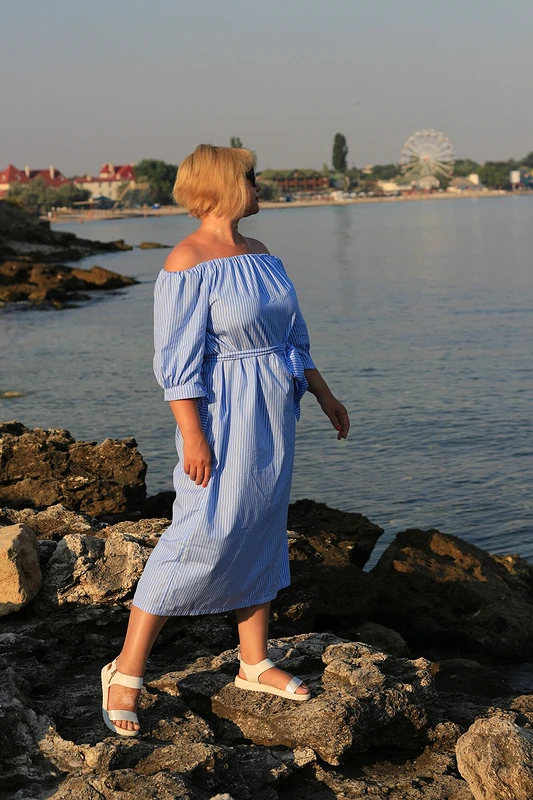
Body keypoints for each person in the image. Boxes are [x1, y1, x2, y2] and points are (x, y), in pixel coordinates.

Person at [101, 144, 350, 736]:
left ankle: (253, 661)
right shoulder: (186, 261)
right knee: (200, 529)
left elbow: (293, 336)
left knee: (261, 521)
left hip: (274, 406)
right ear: (224, 185)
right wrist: (193, 435)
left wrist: (323, 393)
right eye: (251, 179)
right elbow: (176, 361)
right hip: (221, 411)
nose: (260, 187)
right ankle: (125, 669)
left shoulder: (263, 255)